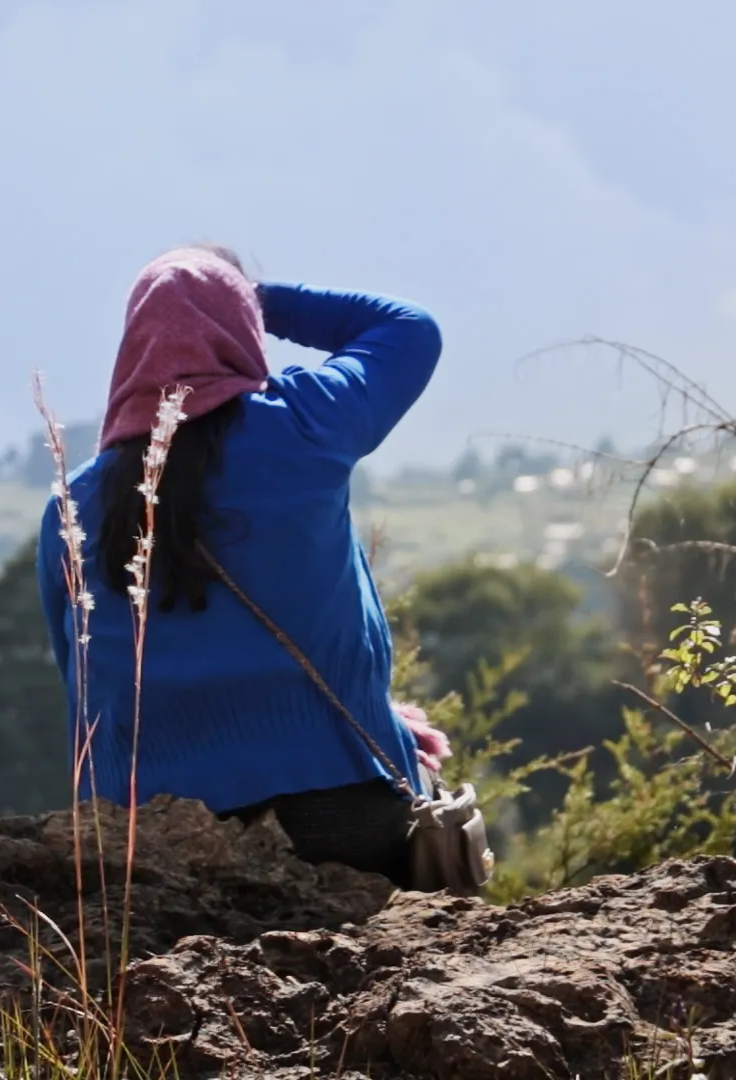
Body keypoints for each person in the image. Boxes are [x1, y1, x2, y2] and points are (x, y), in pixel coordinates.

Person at [36, 245, 450, 888]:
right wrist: (254, 298)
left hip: (148, 847)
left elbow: (83, 682)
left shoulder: (74, 504)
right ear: (242, 328)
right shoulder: (306, 425)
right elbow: (408, 326)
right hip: (341, 812)